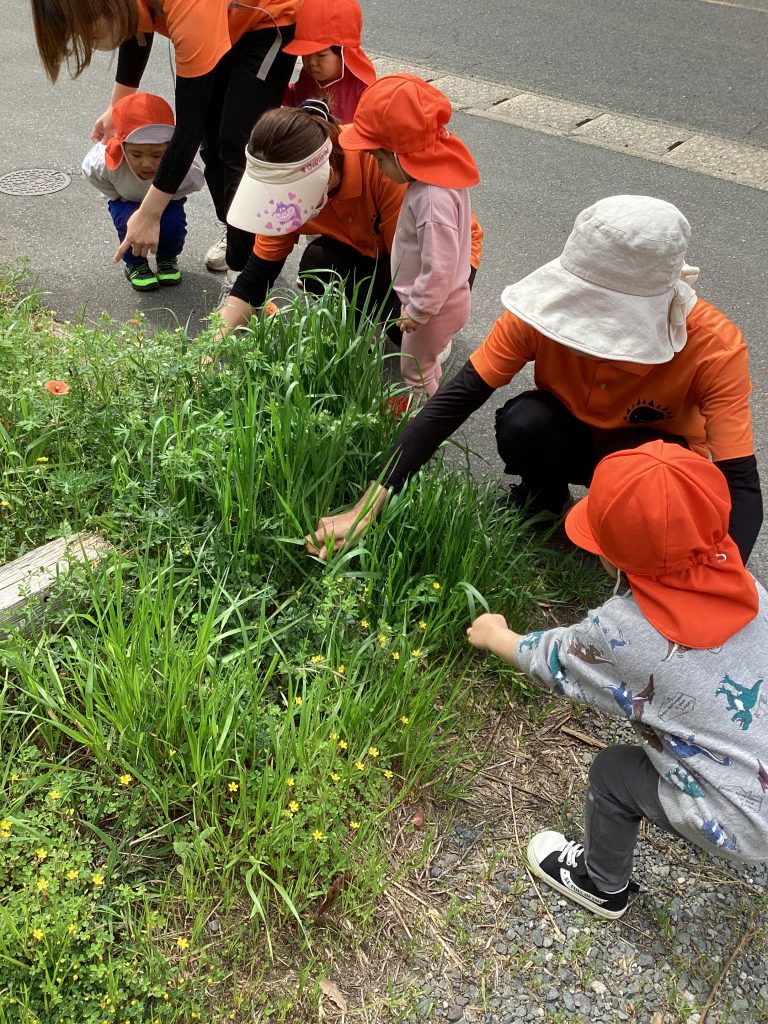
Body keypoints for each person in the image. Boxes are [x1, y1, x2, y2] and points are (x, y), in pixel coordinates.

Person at [304, 195, 763, 566]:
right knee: (524, 422)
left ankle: (639, 544)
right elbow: (457, 399)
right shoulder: (536, 316)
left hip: (649, 461)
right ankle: (545, 502)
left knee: (659, 482)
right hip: (568, 436)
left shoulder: (714, 346)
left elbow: (738, 480)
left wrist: (720, 582)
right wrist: (370, 502)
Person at [466, 441, 767, 919]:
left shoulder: (623, 634)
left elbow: (551, 661)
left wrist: (494, 634)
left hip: (745, 820)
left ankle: (601, 884)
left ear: (616, 557)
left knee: (612, 774)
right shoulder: (748, 587)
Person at [30, 0, 300, 279]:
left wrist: (149, 214)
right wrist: (119, 107)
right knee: (212, 142)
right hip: (224, 20)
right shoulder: (124, 7)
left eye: (84, 29)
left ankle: (244, 273)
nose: (85, 40)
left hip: (266, 19)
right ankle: (237, 232)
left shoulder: (189, 8)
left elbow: (187, 128)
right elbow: (135, 26)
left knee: (236, 144)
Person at [219, 103, 483, 343]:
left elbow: (416, 265)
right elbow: (256, 277)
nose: (281, 209)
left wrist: (418, 313)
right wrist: (211, 345)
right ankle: (359, 327)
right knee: (317, 266)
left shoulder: (383, 167)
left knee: (403, 327)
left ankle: (436, 334)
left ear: (326, 175)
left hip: (438, 256)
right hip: (367, 248)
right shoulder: (286, 194)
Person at [340, 74, 480, 408]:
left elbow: (439, 266)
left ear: (400, 154)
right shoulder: (440, 176)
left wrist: (418, 311)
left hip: (435, 306)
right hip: (445, 299)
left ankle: (421, 418)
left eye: (379, 158)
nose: (378, 167)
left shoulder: (431, 199)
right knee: (422, 364)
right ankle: (422, 407)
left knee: (416, 370)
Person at [81, 92, 204, 291]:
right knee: (127, 223)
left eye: (157, 155)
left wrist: (170, 197)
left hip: (166, 201)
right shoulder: (104, 162)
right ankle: (135, 264)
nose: (147, 163)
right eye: (136, 154)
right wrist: (115, 195)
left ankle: (167, 258)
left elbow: (195, 182)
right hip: (125, 199)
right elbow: (91, 173)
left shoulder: (184, 168)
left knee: (172, 226)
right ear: (122, 147)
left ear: (171, 149)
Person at [282, 0, 376, 124]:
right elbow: (296, 96)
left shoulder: (362, 90)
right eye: (305, 54)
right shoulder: (308, 75)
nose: (312, 62)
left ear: (343, 53)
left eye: (321, 55)